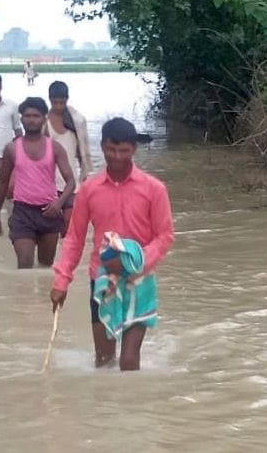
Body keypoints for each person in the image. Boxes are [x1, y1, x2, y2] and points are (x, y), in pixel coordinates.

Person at [50, 117, 174, 371]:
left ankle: (131, 408)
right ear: (102, 145)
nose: (117, 157)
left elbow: (164, 236)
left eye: (124, 151)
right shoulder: (88, 189)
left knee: (129, 361)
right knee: (104, 361)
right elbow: (74, 237)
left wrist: (135, 262)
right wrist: (62, 281)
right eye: (111, 149)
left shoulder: (154, 189)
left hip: (139, 280)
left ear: (134, 150)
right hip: (102, 280)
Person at [0, 97, 76, 269]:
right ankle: (23, 296)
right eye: (27, 116)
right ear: (21, 119)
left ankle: (40, 297)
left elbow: (71, 182)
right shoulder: (12, 149)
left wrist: (59, 203)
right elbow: (2, 182)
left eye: (36, 116)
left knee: (45, 266)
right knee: (24, 265)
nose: (31, 120)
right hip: (23, 213)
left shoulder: (55, 148)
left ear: (44, 119)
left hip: (49, 213)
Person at [46, 81, 92, 235]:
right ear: (49, 100)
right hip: (49, 183)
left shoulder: (77, 121)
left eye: (62, 102)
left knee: (68, 228)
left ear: (67, 99)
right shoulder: (44, 123)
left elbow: (82, 151)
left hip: (71, 183)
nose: (59, 106)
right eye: (55, 102)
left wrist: (83, 176)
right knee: (50, 229)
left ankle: (65, 258)